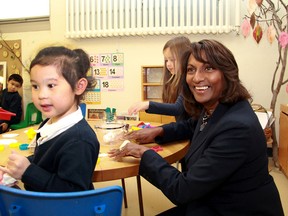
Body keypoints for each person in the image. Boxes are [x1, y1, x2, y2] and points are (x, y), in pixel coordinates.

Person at [109, 39, 284, 215]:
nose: (197, 78)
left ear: (227, 73)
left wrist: (144, 153)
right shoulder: (219, 108)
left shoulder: (236, 128)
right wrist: (158, 131)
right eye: (191, 70)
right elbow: (192, 125)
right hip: (211, 201)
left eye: (208, 68)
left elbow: (182, 190)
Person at [0, 46, 100, 192]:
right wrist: (14, 169)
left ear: (79, 86)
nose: (41, 95)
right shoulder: (49, 123)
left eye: (51, 85)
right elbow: (45, 160)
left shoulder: (80, 140)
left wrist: (28, 172)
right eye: (35, 86)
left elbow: (72, 193)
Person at [128, 36, 191, 122]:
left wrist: (148, 104)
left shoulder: (189, 81)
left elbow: (177, 108)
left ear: (184, 58)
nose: (168, 64)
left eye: (172, 59)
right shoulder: (177, 80)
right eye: (166, 60)